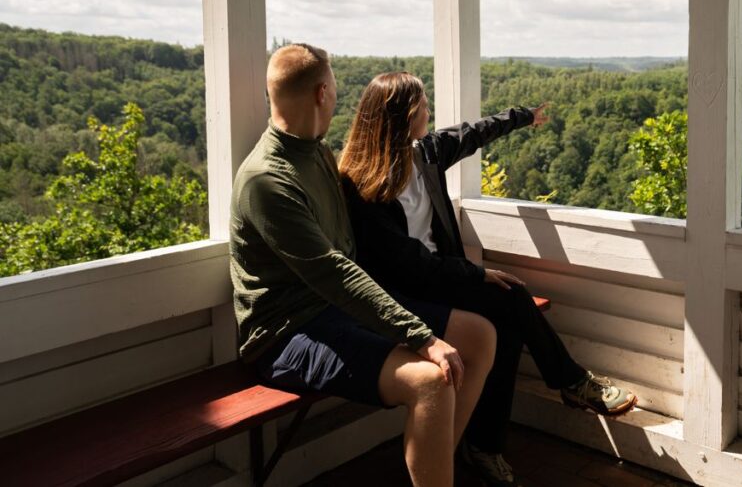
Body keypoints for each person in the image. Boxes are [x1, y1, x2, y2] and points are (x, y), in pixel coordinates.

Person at [338, 71, 638, 487]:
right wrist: (476, 274)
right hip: (403, 298)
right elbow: (408, 265)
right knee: (511, 299)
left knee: (507, 319)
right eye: (424, 105)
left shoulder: (422, 153)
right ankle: (569, 384)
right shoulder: (362, 187)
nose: (429, 111)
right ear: (407, 114)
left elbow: (472, 133)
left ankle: (486, 446)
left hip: (440, 278)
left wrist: (523, 117)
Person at [229, 45, 496, 487]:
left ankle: (432, 466)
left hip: (336, 310)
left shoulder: (314, 149)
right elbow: (332, 271)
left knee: (480, 336)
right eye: (333, 84)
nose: (337, 92)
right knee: (431, 380)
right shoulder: (268, 179)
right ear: (322, 93)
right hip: (289, 332)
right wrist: (423, 338)